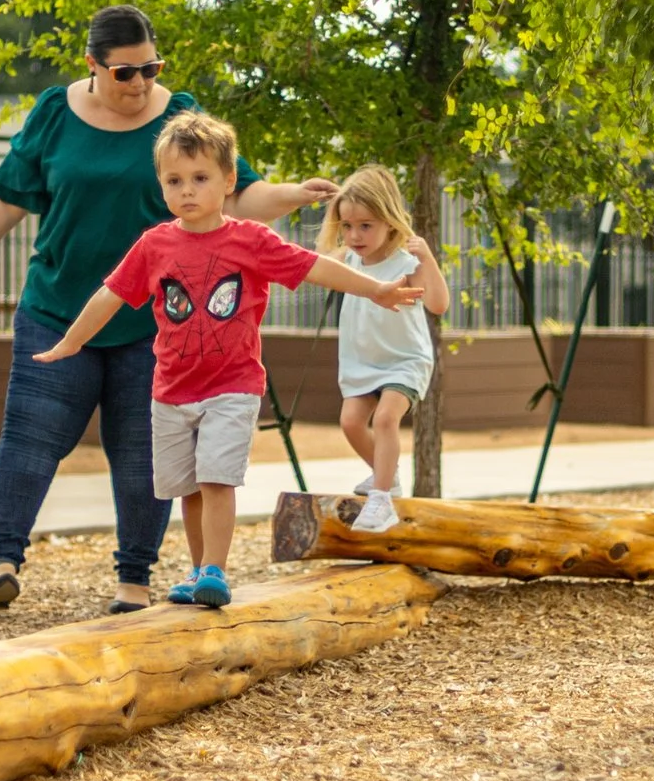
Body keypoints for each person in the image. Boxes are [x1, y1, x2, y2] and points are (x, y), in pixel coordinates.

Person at [0, 5, 338, 614]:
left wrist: (296, 193)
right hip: (60, 308)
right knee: (32, 439)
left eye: (150, 68)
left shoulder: (180, 119)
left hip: (153, 326)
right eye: (124, 73)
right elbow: (5, 199)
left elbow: (243, 193)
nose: (139, 83)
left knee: (142, 455)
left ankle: (132, 581)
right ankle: (3, 559)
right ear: (92, 65)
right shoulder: (55, 115)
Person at [37, 114, 422, 609]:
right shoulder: (154, 245)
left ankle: (215, 570)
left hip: (232, 385)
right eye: (174, 181)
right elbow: (110, 295)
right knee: (188, 488)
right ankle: (199, 570)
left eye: (200, 178)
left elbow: (312, 267)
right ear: (160, 185)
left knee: (216, 477)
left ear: (228, 181)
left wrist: (378, 290)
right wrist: (72, 342)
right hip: (172, 390)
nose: (187, 190)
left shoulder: (249, 240)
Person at [319, 165, 452, 532]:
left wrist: (428, 258)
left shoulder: (406, 262)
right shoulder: (348, 260)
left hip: (403, 361)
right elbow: (310, 267)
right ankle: (387, 477)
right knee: (350, 422)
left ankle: (381, 499)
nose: (354, 234)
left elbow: (439, 305)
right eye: (347, 226)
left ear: (390, 222)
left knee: (385, 419)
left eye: (366, 225)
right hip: (363, 363)